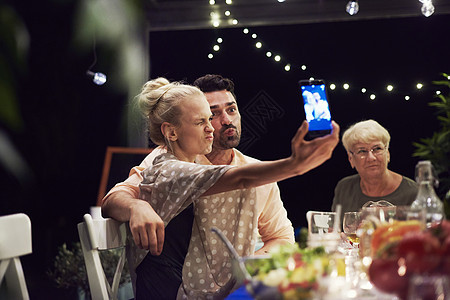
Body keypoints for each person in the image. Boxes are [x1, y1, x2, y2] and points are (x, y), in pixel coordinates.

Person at [102, 77, 339, 299]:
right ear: (172, 131)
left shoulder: (253, 169)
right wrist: (136, 206)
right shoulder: (167, 163)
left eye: (231, 109)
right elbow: (115, 197)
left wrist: (248, 267)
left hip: (228, 287)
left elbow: (281, 237)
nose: (223, 121)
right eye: (209, 116)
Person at [331, 119, 418, 222]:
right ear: (351, 159)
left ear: (388, 154)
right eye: (362, 151)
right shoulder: (344, 188)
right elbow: (334, 230)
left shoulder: (413, 192)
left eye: (377, 149)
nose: (371, 157)